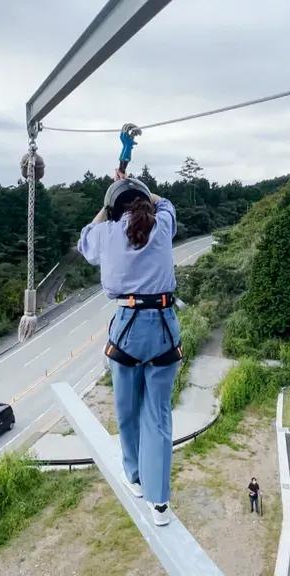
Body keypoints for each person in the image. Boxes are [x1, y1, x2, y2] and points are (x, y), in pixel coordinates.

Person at [77, 175, 181, 527]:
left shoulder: (105, 234)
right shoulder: (163, 224)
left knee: (127, 409)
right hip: (165, 326)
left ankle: (134, 477)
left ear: (112, 209)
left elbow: (84, 239)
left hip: (128, 327)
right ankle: (160, 503)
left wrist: (105, 210)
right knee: (158, 414)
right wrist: (142, 189)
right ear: (146, 203)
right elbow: (165, 203)